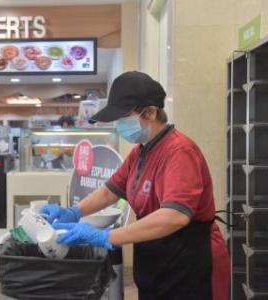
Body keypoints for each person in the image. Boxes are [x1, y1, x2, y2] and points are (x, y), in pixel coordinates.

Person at [40, 71, 230, 300]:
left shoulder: (180, 152)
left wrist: (107, 236)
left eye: (123, 118)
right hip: (157, 257)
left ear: (150, 112)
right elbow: (110, 191)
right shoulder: (141, 150)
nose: (120, 125)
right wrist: (73, 211)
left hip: (190, 261)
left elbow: (174, 216)